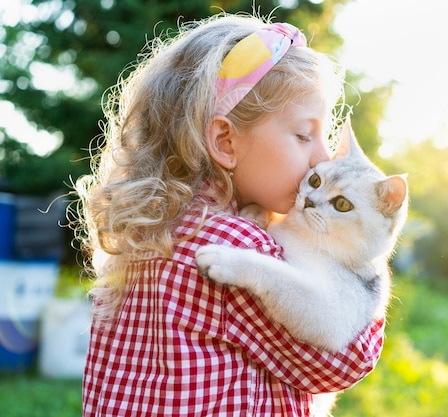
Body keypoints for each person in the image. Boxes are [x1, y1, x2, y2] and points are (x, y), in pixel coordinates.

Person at [73, 13, 385, 417]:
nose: (322, 158)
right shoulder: (237, 248)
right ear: (225, 141)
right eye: (304, 135)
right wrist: (368, 258)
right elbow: (343, 360)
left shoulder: (149, 236)